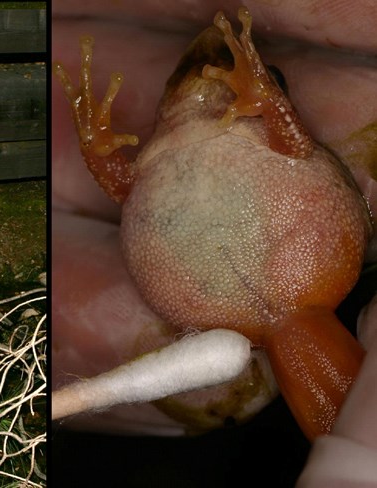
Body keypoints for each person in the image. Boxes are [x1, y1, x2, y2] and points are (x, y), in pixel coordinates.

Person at [52, 1, 377, 486]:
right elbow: (130, 191)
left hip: (278, 266)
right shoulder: (165, 152)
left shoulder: (232, 134)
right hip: (245, 276)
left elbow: (122, 186)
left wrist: (97, 145)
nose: (203, 76)